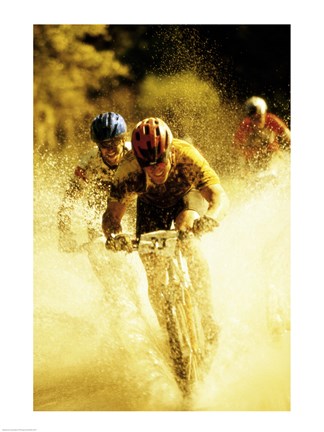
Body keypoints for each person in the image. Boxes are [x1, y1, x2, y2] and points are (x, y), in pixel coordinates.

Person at [102, 117, 230, 349]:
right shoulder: (128, 170)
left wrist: (211, 218)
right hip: (151, 207)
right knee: (153, 272)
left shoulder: (187, 156)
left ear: (170, 152)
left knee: (186, 232)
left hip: (185, 198)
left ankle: (208, 318)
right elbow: (111, 218)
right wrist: (114, 237)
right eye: (148, 165)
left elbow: (219, 196)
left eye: (159, 162)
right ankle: (169, 335)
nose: (155, 170)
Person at [57, 112, 132, 252]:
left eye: (114, 142)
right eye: (104, 145)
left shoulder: (136, 153)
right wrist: (64, 234)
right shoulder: (88, 163)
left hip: (132, 196)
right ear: (98, 145)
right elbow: (68, 202)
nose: (109, 149)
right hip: (101, 199)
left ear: (123, 140)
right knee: (97, 244)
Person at [233, 96, 291, 173]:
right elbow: (236, 146)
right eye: (254, 118)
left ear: (264, 113)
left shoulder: (271, 120)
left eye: (259, 117)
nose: (257, 121)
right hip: (253, 161)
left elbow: (288, 135)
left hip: (273, 157)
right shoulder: (245, 125)